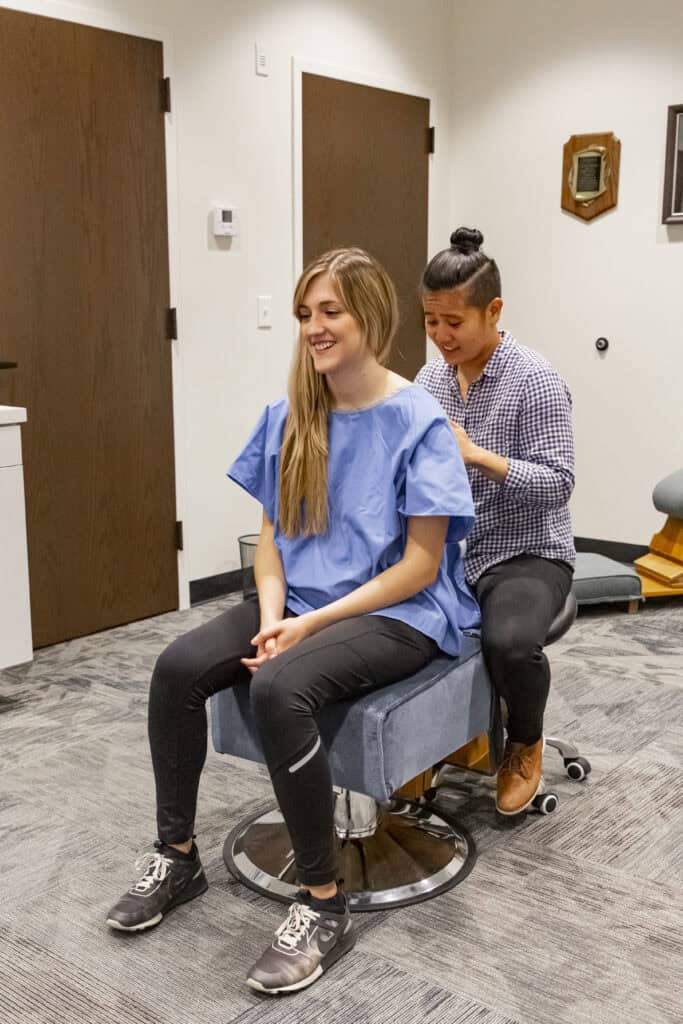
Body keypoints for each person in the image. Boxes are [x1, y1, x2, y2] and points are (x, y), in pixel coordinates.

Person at [106, 247, 478, 995]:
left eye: (330, 311)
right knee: (177, 668)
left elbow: (418, 565)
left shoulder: (419, 419)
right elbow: (272, 541)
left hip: (399, 612)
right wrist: (275, 618)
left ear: (371, 317)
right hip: (301, 601)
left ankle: (323, 904)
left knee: (279, 688)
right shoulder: (290, 414)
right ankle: (176, 856)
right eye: (306, 313)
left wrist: (307, 630)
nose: (313, 326)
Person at [416, 227, 575, 817]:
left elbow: (559, 484)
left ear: (494, 311)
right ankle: (439, 741)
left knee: (508, 644)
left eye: (454, 322)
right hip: (451, 549)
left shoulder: (534, 379)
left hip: (528, 550)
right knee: (398, 629)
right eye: (431, 321)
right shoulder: (430, 380)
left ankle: (524, 742)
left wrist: (479, 456)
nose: (441, 336)